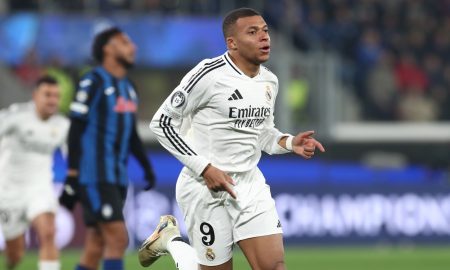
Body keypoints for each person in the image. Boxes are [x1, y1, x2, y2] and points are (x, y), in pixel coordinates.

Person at [140, 7, 325, 270]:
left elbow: (261, 133)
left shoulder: (269, 82)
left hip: (249, 185)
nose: (264, 38)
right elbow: (162, 123)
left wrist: (288, 142)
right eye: (253, 32)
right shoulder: (208, 74)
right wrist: (205, 168)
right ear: (232, 43)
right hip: (204, 187)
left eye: (265, 31)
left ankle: (171, 240)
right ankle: (171, 241)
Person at [58, 27, 156, 270]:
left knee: (96, 244)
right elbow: (76, 128)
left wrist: (146, 166)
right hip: (95, 175)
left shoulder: (129, 87)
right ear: (108, 49)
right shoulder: (93, 81)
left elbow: (131, 133)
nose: (132, 47)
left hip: (116, 176)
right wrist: (72, 174)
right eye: (124, 42)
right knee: (118, 237)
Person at [0, 75, 69, 270]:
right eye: (47, 94)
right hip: (8, 191)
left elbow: (74, 154)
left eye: (56, 96)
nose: (53, 100)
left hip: (39, 188)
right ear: (35, 96)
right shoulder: (15, 116)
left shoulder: (62, 125)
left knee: (48, 232)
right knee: (15, 253)